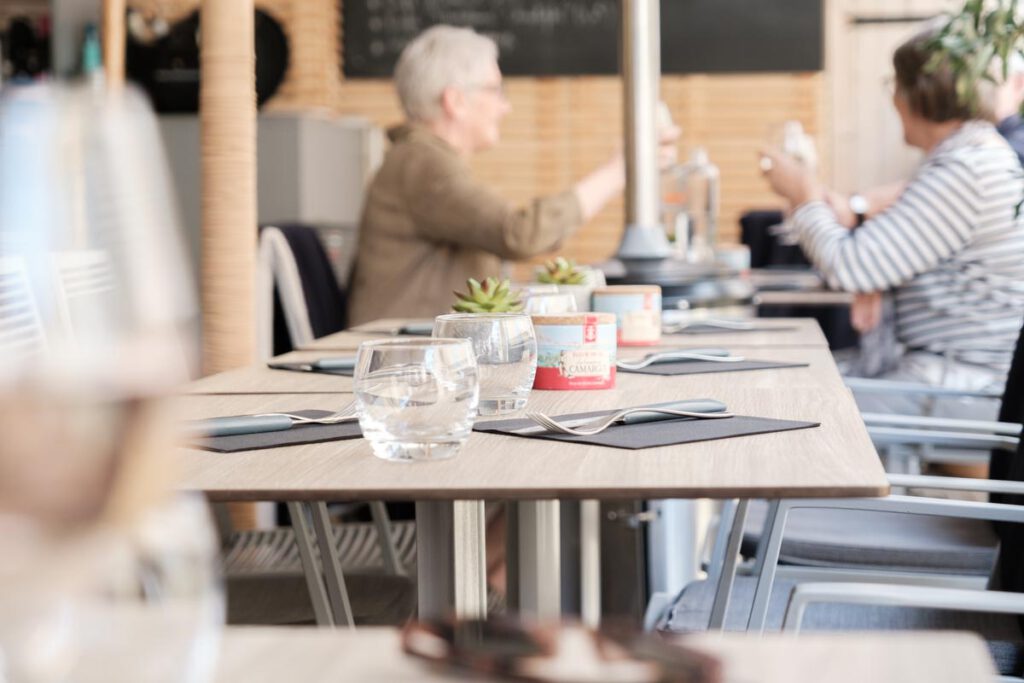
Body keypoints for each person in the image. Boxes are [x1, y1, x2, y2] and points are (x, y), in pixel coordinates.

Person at [760, 26, 1024, 424]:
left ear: (917, 95)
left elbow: (848, 266)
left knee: (783, 406)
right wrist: (881, 276)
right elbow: (877, 258)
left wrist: (802, 196)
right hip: (949, 376)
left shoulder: (964, 169)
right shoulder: (972, 155)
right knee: (784, 384)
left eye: (894, 84)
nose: (892, 97)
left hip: (959, 384)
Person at [347, 25, 677, 326]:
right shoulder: (422, 163)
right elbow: (519, 233)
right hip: (405, 359)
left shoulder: (419, 158)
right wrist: (620, 170)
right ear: (456, 101)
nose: (506, 106)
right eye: (495, 89)